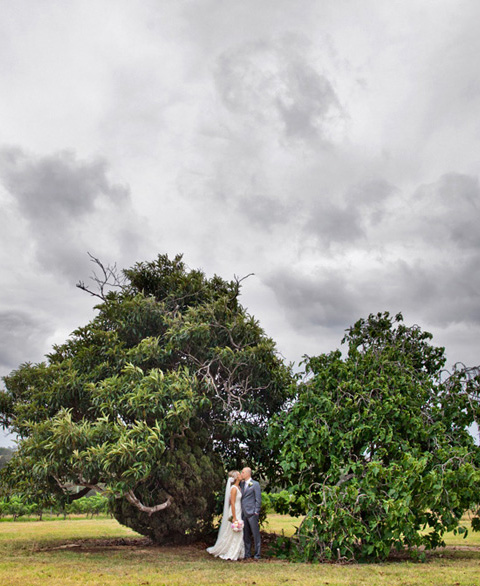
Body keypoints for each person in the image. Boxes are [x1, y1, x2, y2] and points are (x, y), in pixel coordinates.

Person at [207, 470, 245, 561]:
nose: (240, 475)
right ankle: (232, 551)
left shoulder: (239, 487)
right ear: (235, 477)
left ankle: (238, 551)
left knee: (238, 531)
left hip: (239, 510)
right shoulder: (233, 489)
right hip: (234, 511)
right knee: (234, 531)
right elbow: (232, 502)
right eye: (239, 474)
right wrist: (234, 517)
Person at [240, 467, 261, 560]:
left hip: (252, 513)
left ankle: (257, 554)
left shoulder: (255, 484)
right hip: (243, 513)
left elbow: (258, 499)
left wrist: (256, 511)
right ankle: (247, 554)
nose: (242, 474)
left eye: (243, 472)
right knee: (246, 534)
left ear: (248, 473)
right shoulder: (242, 484)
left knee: (255, 534)